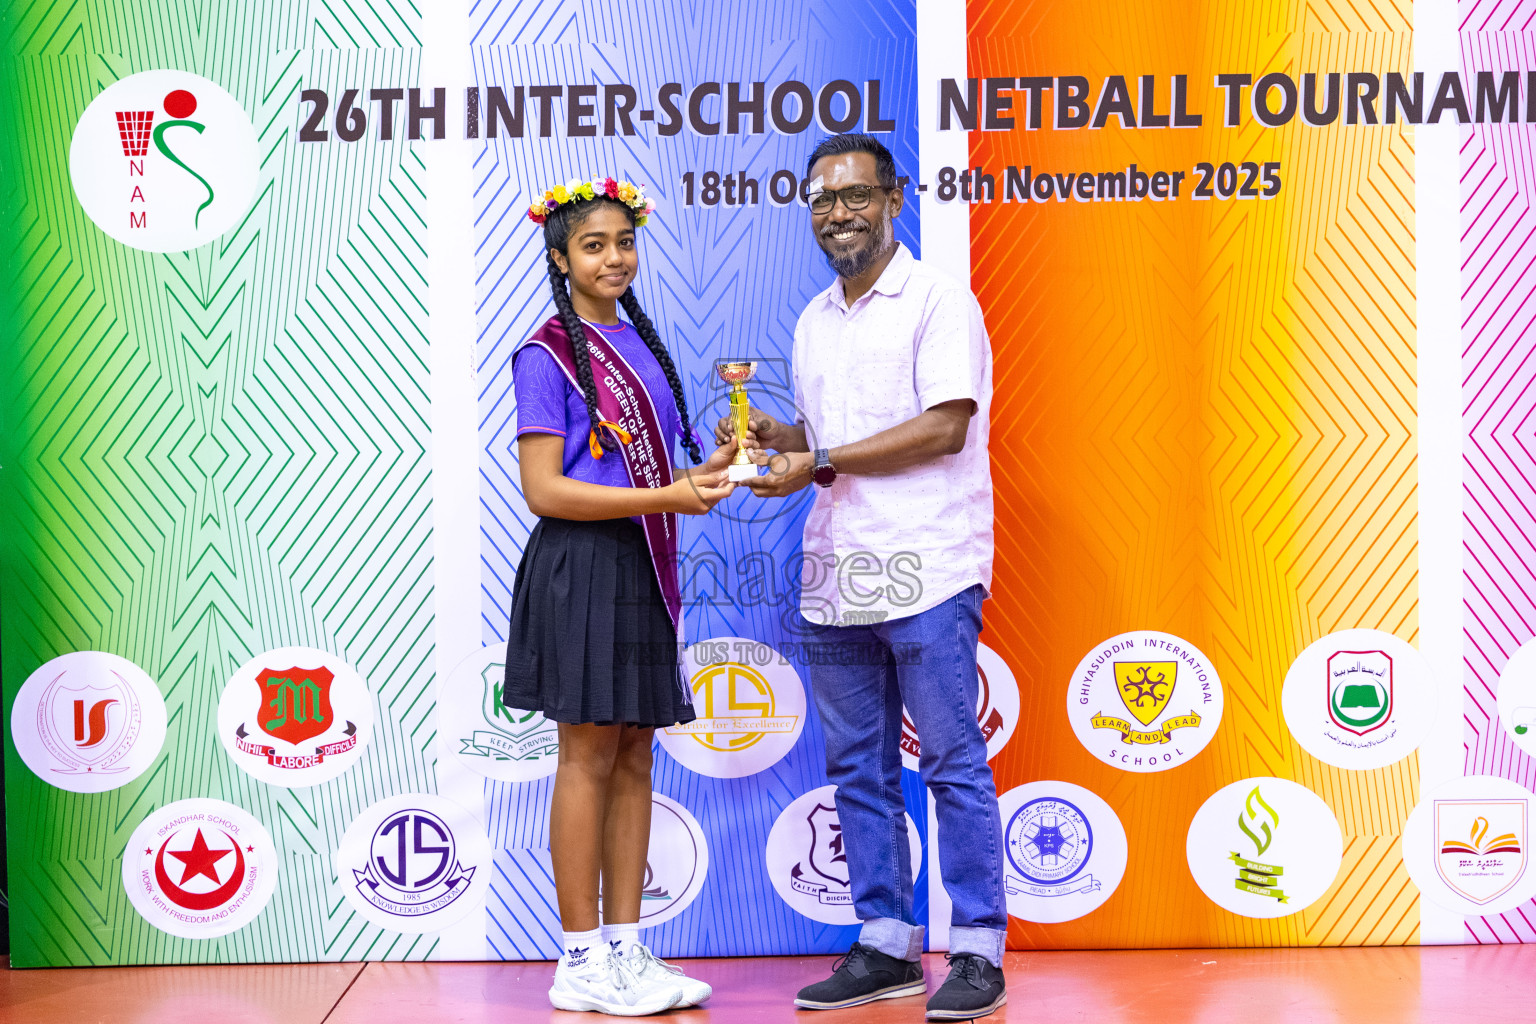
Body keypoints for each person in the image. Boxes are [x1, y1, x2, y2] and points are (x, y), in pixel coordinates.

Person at [720, 134, 1008, 1021]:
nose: (837, 214)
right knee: (858, 768)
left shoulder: (938, 301)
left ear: (893, 199)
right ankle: (885, 944)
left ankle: (977, 950)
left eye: (853, 196)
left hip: (928, 569)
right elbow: (829, 439)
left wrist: (819, 459)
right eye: (821, 200)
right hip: (838, 573)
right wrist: (779, 438)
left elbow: (944, 428)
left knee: (951, 762)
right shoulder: (815, 318)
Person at [506, 176, 737, 1016]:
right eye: (594, 245)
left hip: (641, 562)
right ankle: (578, 959)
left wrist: (706, 472)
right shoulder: (545, 355)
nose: (615, 258)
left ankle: (627, 952)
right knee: (587, 755)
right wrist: (666, 497)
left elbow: (650, 470)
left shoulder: (638, 342)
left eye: (625, 242)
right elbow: (544, 489)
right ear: (560, 258)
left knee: (637, 752)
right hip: (583, 565)